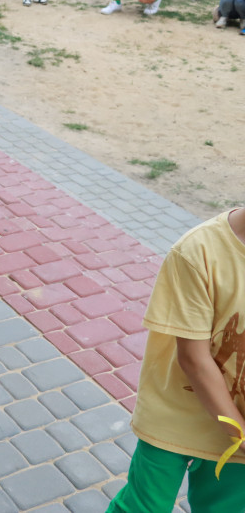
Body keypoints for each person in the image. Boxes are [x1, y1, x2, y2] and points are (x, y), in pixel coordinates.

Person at [103, 208, 245, 513]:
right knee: (144, 506)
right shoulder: (199, 251)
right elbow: (193, 359)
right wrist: (241, 434)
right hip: (177, 411)